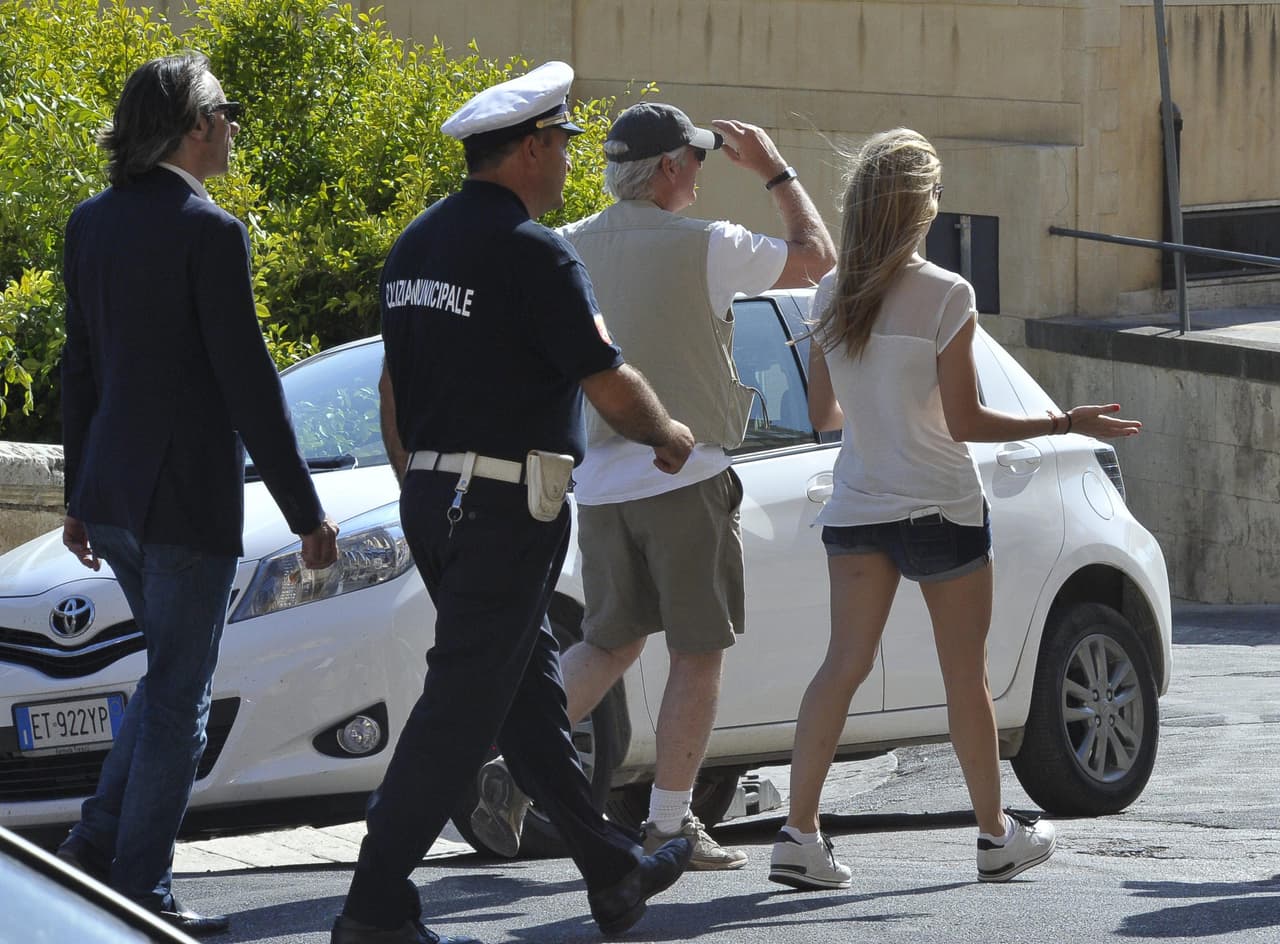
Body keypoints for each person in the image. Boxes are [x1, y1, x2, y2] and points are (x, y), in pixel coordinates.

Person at [331, 62, 697, 944]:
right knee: (462, 703)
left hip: (435, 496)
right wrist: (667, 434)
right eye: (563, 144)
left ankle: (611, 873)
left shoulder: (416, 242)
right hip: (502, 507)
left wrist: (422, 480)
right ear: (532, 150)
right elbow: (604, 377)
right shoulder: (535, 250)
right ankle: (373, 901)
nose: (569, 159)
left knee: (525, 693)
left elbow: (390, 388)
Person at [768, 127, 1142, 890]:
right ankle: (995, 835)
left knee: (840, 666)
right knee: (963, 676)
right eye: (934, 194)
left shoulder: (831, 293)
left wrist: (880, 411)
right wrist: (1063, 421)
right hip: (941, 505)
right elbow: (968, 423)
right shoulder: (946, 292)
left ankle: (799, 836)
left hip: (859, 506)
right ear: (916, 205)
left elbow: (823, 412)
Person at [469, 102, 836, 871]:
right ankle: (670, 823)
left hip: (597, 482)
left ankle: (510, 767)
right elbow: (817, 258)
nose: (701, 172)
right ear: (669, 168)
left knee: (608, 641)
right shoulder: (709, 244)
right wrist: (775, 171)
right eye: (695, 160)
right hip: (685, 472)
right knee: (698, 653)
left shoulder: (565, 245)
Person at [57, 53, 340, 935]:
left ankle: (93, 849)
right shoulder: (210, 232)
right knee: (180, 697)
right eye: (225, 113)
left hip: (114, 499)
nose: (234, 127)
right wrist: (307, 514)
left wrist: (76, 494)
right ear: (194, 127)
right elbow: (248, 382)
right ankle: (138, 892)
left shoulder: (89, 223)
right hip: (183, 507)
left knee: (167, 680)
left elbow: (80, 371)